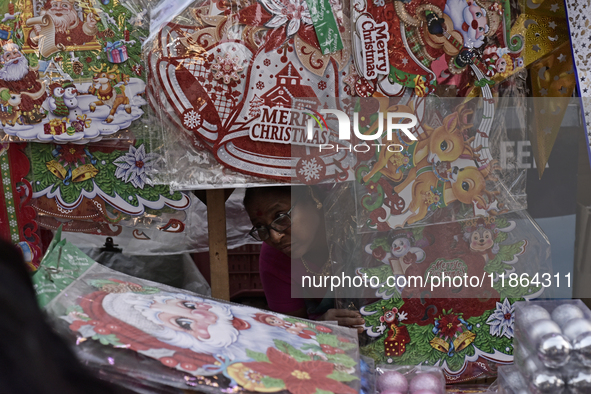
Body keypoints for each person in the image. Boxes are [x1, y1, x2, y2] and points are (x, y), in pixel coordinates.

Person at [243, 186, 365, 332]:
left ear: (313, 198)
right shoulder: (274, 259)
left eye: (281, 217)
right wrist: (319, 327)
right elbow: (288, 331)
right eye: (260, 227)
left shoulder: (360, 228)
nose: (275, 237)